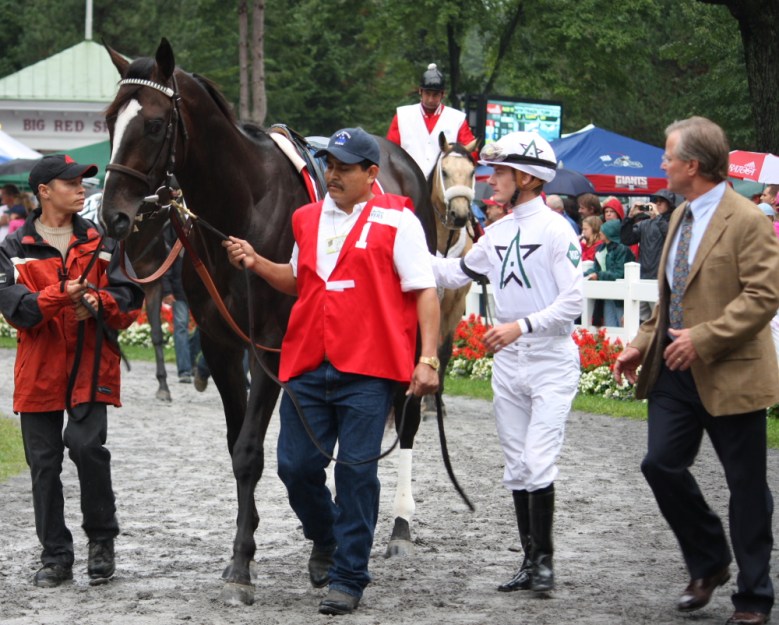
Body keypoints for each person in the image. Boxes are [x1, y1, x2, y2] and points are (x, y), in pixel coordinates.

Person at [222, 128, 440, 615]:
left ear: (371, 174)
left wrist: (428, 358)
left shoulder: (399, 221)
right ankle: (326, 536)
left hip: (369, 367)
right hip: (308, 362)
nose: (333, 174)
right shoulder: (307, 219)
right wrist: (258, 263)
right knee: (294, 467)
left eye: (344, 167)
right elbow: (300, 280)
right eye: (330, 165)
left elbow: (425, 291)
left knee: (356, 472)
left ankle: (348, 576)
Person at [614, 116, 779, 625]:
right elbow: (669, 298)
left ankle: (754, 597)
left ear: (692, 164)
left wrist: (703, 340)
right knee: (659, 464)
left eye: (667, 156)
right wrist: (642, 343)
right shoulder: (682, 215)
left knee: (746, 484)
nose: (661, 164)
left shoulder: (748, 220)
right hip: (674, 372)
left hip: (730, 371)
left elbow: (764, 296)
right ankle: (709, 562)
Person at [431, 131, 583, 594]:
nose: (488, 180)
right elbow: (454, 272)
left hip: (551, 359)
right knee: (518, 464)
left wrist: (521, 326)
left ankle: (546, 563)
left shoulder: (557, 230)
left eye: (497, 172)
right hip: (509, 364)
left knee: (537, 460)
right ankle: (531, 562)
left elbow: (574, 301)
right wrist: (399, 249)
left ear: (525, 178)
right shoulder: (496, 233)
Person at [0, 154, 144, 588]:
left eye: (82, 181)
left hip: (90, 367)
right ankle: (56, 556)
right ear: (44, 191)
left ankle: (102, 541)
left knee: (86, 449)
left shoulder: (103, 242)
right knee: (43, 465)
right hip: (38, 371)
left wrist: (101, 302)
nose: (81, 188)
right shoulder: (12, 248)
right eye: (70, 182)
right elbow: (16, 311)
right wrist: (60, 296)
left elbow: (129, 297)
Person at [386, 63, 477, 178]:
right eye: (427, 94)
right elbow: (390, 151)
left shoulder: (457, 119)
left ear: (442, 94)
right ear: (420, 91)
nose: (430, 99)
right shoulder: (402, 116)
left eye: (435, 95)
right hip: (407, 182)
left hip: (443, 184)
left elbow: (471, 153)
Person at [620, 188, 678, 321]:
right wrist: (629, 217)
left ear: (669, 204)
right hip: (642, 278)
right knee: (634, 320)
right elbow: (626, 239)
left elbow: (670, 236)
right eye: (655, 202)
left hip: (661, 280)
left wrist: (657, 217)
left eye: (661, 202)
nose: (656, 205)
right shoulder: (645, 224)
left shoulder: (673, 222)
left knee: (659, 320)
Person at [583, 218, 635, 326]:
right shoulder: (600, 248)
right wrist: (585, 274)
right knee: (609, 326)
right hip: (607, 295)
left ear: (610, 232)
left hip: (621, 296)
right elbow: (596, 268)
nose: (600, 232)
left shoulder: (622, 249)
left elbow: (619, 273)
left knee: (623, 326)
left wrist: (598, 275)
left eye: (604, 230)